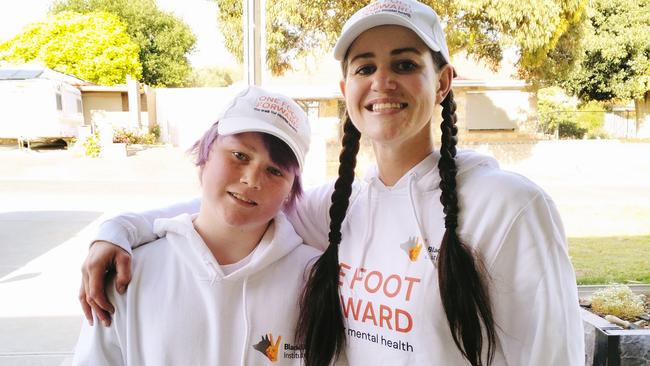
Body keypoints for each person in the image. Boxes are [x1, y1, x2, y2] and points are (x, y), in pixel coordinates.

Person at [79, 1, 585, 365]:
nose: (382, 81)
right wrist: (118, 228)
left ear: (444, 81)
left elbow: (552, 352)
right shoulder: (336, 210)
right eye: (366, 66)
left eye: (405, 64)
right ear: (346, 90)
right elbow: (230, 210)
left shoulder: (509, 207)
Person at [72, 86, 321, 365]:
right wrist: (117, 229)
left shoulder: (315, 279)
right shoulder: (127, 272)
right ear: (205, 154)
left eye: (275, 171)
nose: (252, 179)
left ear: (291, 191)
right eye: (240, 155)